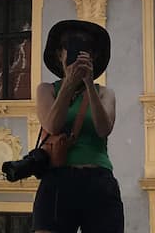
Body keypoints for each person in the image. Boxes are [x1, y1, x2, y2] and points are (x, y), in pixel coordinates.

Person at [33, 19, 124, 233]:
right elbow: (52, 124)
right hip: (58, 181)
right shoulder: (47, 90)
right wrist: (68, 84)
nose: (78, 54)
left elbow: (104, 129)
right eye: (71, 47)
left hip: (98, 180)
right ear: (59, 54)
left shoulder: (104, 93)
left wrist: (88, 86)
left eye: (86, 49)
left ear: (93, 57)